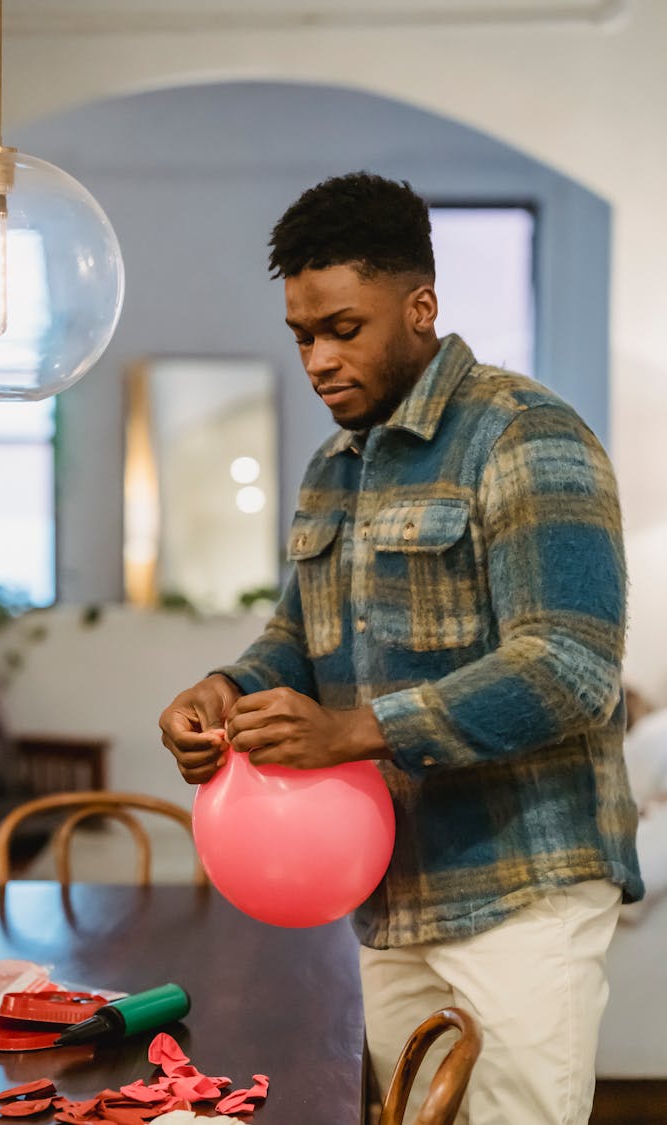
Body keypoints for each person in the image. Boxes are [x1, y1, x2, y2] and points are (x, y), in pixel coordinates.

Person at [159, 171, 643, 1124]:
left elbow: (571, 667)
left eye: (344, 327)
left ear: (419, 306)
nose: (318, 359)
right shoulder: (331, 469)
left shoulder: (524, 433)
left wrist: (354, 730)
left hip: (524, 891)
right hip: (390, 895)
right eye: (303, 335)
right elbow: (296, 637)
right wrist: (224, 687)